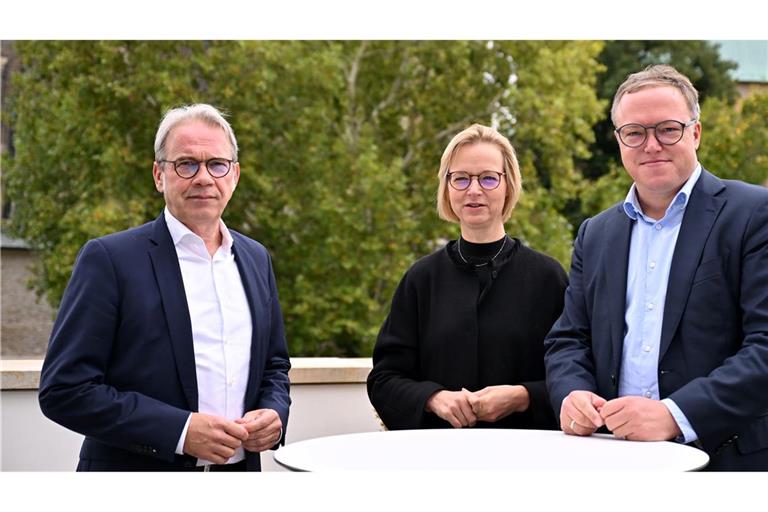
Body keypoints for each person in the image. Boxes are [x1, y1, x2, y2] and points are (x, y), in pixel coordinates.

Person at [39, 104, 291, 471]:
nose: (204, 177)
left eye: (217, 164)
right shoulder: (110, 259)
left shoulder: (255, 258)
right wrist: (180, 431)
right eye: (186, 164)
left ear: (234, 175)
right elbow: (64, 390)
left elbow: (274, 365)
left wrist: (274, 411)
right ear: (159, 175)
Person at [544, 65, 768, 471]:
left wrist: (675, 414)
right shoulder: (595, 233)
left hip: (726, 464)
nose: (651, 145)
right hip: (613, 459)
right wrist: (571, 393)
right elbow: (568, 339)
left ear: (695, 133)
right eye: (635, 132)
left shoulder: (754, 214)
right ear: (619, 141)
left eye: (668, 129)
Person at [367, 124, 567, 431]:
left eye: (488, 178)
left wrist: (523, 396)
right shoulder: (421, 280)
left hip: (526, 460)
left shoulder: (547, 278)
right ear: (447, 188)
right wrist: (433, 397)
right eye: (461, 179)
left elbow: (574, 374)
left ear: (508, 186)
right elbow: (384, 379)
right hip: (438, 460)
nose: (474, 190)